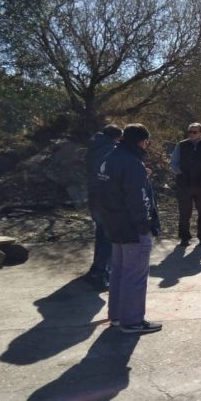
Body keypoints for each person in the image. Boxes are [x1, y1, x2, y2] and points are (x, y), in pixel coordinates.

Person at [96, 123, 162, 334]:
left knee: (119, 271)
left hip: (114, 224)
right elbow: (138, 199)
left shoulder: (109, 157)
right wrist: (146, 224)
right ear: (142, 141)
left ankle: (116, 316)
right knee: (135, 275)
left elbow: (112, 189)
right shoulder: (132, 163)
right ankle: (132, 321)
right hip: (133, 227)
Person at [169, 122, 201, 247]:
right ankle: (184, 238)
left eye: (194, 132)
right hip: (184, 184)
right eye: (190, 132)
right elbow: (173, 163)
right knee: (184, 212)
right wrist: (180, 173)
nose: (191, 134)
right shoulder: (181, 145)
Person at [85, 124, 122, 290]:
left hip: (94, 196)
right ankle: (101, 274)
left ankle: (95, 269)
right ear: (117, 137)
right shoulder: (111, 151)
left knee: (101, 234)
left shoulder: (93, 148)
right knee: (109, 237)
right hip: (108, 199)